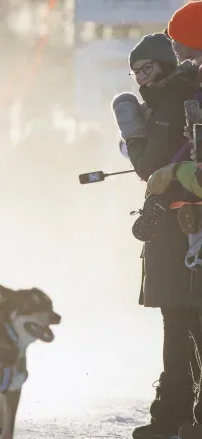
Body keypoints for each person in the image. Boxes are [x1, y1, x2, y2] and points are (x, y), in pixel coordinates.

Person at [112, 32, 202, 439]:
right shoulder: (177, 95)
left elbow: (148, 168)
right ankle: (181, 415)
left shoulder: (170, 101)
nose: (141, 79)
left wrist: (133, 136)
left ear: (166, 63)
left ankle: (178, 415)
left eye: (147, 68)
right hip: (174, 225)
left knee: (184, 322)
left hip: (181, 227)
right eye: (135, 72)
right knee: (182, 321)